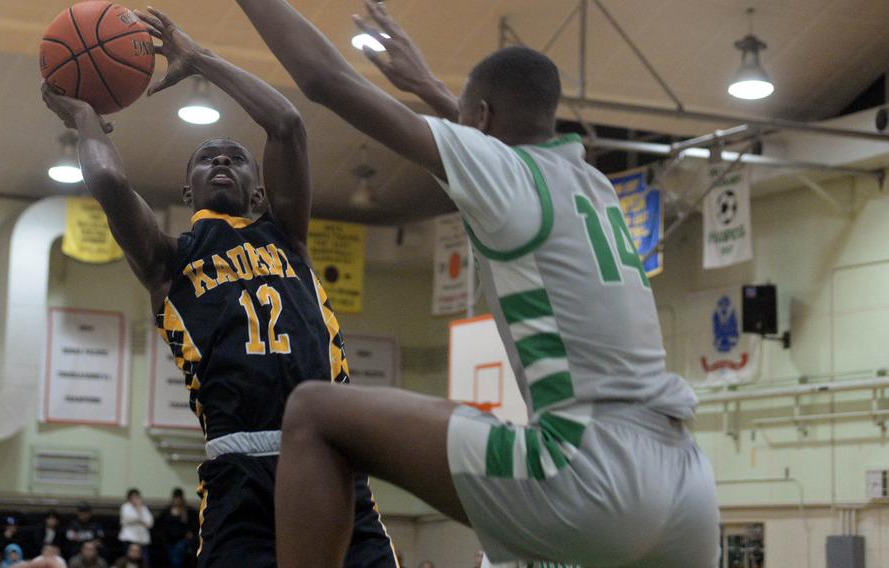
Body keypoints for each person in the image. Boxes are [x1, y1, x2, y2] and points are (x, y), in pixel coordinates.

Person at [233, 1, 720, 566]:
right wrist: (434, 90)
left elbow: (323, 79)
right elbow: (488, 144)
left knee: (313, 411)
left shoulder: (509, 176)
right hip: (685, 480)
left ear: (482, 118)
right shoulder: (590, 182)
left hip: (593, 472)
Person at [41, 7, 397, 568]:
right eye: (208, 159)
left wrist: (200, 58)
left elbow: (286, 124)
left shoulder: (288, 238)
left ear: (260, 194)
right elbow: (109, 181)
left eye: (236, 159)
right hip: (241, 475)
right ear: (188, 192)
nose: (223, 162)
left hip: (330, 457)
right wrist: (86, 117)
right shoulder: (167, 262)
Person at [154, 489, 196, 568]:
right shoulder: (167, 511)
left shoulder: (188, 511)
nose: (177, 501)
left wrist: (190, 532)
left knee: (177, 555)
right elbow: (160, 525)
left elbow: (193, 525)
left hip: (182, 540)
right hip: (168, 540)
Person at [118, 490, 153, 562]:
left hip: (142, 540)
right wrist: (141, 520)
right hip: (128, 539)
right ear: (129, 498)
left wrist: (139, 510)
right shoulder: (125, 507)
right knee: (127, 561)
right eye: (132, 497)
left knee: (144, 561)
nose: (135, 499)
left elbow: (149, 523)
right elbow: (128, 518)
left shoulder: (144, 508)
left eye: (136, 497)